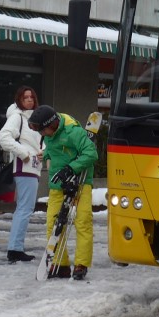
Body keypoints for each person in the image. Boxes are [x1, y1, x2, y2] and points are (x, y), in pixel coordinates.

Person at [29, 105, 97, 280]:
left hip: (80, 180)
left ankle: (81, 264)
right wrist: (45, 155)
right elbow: (55, 149)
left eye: (43, 130)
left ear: (53, 124)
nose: (42, 135)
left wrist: (70, 169)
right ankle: (62, 264)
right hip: (58, 182)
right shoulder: (49, 133)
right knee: (53, 224)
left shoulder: (73, 131)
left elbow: (91, 153)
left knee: (82, 222)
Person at [0, 86, 43, 263]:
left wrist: (42, 152)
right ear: (19, 100)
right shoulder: (17, 117)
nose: (29, 100)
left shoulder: (34, 118)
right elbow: (4, 137)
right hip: (25, 167)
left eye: (32, 97)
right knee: (25, 209)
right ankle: (15, 249)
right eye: (25, 98)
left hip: (32, 167)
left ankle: (15, 248)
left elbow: (39, 141)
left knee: (24, 208)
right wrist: (24, 153)